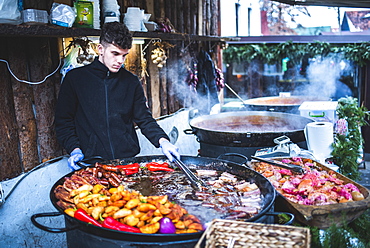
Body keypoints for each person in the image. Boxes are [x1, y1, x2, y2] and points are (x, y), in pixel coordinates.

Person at [55, 22, 180, 170]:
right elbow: (64, 121)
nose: (120, 61)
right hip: (92, 163)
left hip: (128, 162)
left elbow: (144, 119)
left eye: (124, 55)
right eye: (115, 54)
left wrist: (163, 141)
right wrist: (74, 149)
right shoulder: (75, 79)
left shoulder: (131, 81)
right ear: (100, 49)